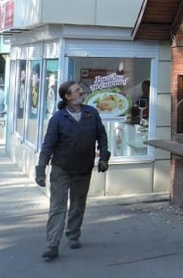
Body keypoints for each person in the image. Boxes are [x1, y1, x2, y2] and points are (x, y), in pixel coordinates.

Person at [35, 80, 110, 260]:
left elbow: (102, 135)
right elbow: (48, 145)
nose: (81, 92)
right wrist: (40, 169)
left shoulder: (91, 113)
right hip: (61, 169)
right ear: (68, 96)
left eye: (80, 89)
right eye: (77, 90)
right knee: (58, 207)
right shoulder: (58, 119)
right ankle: (52, 244)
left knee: (78, 205)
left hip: (83, 168)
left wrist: (104, 158)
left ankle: (73, 235)